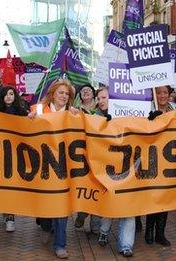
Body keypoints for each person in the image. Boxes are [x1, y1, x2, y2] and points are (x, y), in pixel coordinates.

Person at [29, 79, 79, 259]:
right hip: (42, 166)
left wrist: (78, 116)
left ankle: (60, 244)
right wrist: (29, 120)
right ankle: (45, 225)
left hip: (63, 168)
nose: (64, 96)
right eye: (61, 93)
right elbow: (26, 132)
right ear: (52, 94)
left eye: (67, 94)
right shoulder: (38, 110)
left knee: (61, 208)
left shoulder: (72, 113)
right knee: (46, 206)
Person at [93, 87, 136, 257]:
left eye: (105, 97)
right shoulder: (95, 117)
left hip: (129, 169)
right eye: (99, 97)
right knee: (109, 206)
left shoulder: (130, 114)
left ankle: (126, 245)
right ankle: (104, 231)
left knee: (129, 209)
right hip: (106, 171)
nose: (101, 100)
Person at [0, 86, 28, 232]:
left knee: (11, 186)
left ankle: (10, 216)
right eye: (6, 94)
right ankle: (0, 214)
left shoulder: (22, 113)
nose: (8, 97)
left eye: (11, 94)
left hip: (15, 154)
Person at [144, 85, 173, 247]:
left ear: (169, 95)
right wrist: (150, 120)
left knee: (166, 197)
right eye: (159, 93)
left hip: (170, 159)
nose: (162, 96)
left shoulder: (175, 109)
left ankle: (160, 233)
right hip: (153, 159)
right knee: (153, 196)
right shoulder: (147, 109)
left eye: (165, 93)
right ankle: (149, 230)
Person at [74, 84, 101, 233]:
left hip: (99, 152)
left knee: (98, 185)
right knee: (86, 185)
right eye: (83, 91)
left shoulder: (102, 109)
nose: (85, 92)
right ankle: (82, 214)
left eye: (88, 90)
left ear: (93, 94)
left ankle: (95, 224)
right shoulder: (75, 110)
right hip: (82, 152)